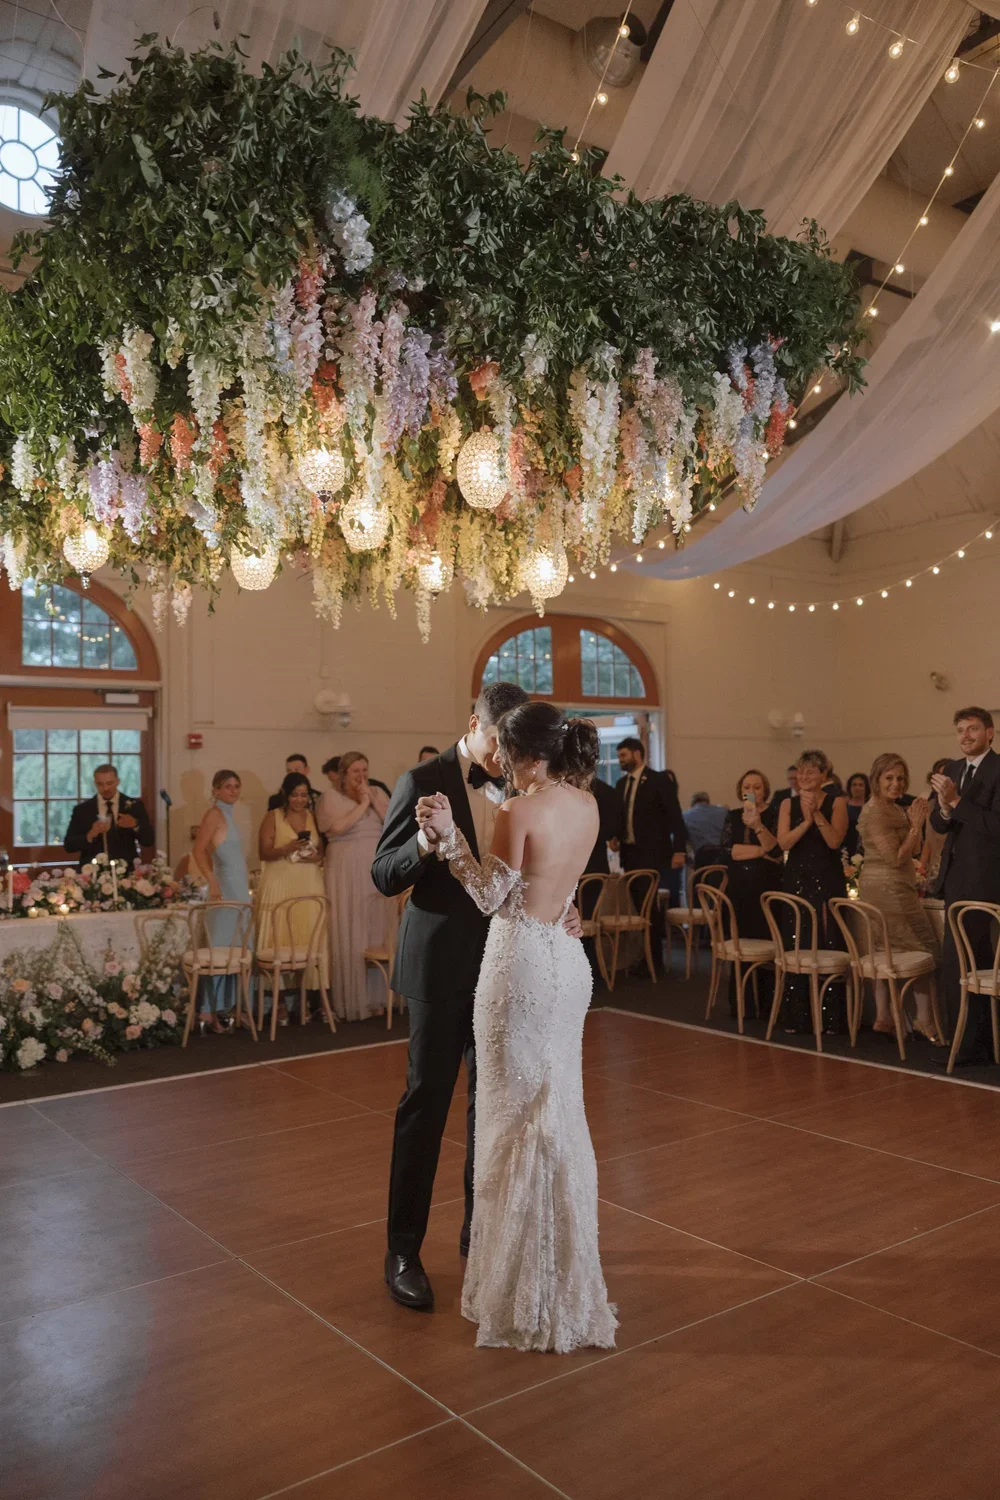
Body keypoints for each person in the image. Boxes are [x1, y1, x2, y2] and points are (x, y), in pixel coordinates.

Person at [417, 701, 617, 1354]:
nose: (496, 760)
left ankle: (521, 1289)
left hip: (522, 967)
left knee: (511, 1116)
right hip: (567, 963)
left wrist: (449, 839)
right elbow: (563, 886)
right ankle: (563, 1277)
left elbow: (487, 896)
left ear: (527, 754)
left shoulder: (516, 811)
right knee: (557, 1111)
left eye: (503, 750)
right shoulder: (587, 804)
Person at [372, 681, 531, 1311]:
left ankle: (478, 1233)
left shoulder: (520, 783)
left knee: (489, 1106)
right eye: (498, 743)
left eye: (514, 748)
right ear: (473, 724)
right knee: (427, 1106)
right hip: (438, 970)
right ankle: (403, 1249)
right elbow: (383, 874)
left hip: (502, 967)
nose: (505, 759)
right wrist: (422, 846)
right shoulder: (422, 779)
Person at [930, 707, 1000, 1067]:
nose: (966, 735)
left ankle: (980, 1043)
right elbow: (940, 824)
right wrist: (943, 808)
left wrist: (957, 802)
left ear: (990, 732)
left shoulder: (999, 769)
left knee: (977, 962)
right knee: (955, 962)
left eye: (973, 728)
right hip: (955, 880)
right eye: (960, 730)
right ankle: (964, 1041)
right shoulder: (953, 769)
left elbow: (996, 825)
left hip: (987, 880)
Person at [857, 754, 942, 1045]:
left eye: (901, 778)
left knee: (886, 949)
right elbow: (896, 857)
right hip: (891, 888)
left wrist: (913, 823)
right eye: (889, 778)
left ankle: (883, 1017)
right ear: (876, 780)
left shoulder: (889, 808)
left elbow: (913, 849)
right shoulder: (877, 811)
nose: (896, 784)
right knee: (926, 950)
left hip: (877, 886)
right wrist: (916, 824)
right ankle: (924, 1021)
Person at [316, 751, 394, 1021]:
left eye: (364, 770)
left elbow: (393, 822)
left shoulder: (375, 792)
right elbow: (335, 828)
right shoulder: (329, 798)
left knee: (375, 928)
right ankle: (352, 1001)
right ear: (343, 774)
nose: (361, 776)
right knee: (351, 928)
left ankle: (378, 999)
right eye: (355, 772)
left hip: (373, 868)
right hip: (345, 868)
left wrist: (371, 798)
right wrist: (361, 804)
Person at [776, 749, 849, 1032]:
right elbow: (783, 843)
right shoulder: (786, 805)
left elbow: (834, 841)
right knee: (798, 941)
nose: (804, 777)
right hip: (797, 878)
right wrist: (805, 821)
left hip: (827, 877)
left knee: (828, 940)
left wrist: (816, 813)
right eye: (801, 771)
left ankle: (831, 1018)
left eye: (810, 772)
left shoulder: (837, 802)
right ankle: (797, 1016)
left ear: (823, 775)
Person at [256, 771, 327, 1023]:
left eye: (304, 795)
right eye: (295, 795)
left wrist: (313, 856)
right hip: (280, 884)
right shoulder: (272, 816)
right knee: (279, 941)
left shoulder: (314, 817)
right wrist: (287, 848)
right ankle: (279, 1002)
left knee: (306, 941)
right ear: (286, 795)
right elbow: (263, 852)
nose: (300, 800)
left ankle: (304, 1001)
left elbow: (322, 853)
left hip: (309, 883)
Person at [614, 736, 686, 962]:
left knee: (649, 906)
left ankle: (653, 959)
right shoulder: (621, 784)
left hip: (653, 853)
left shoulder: (659, 780)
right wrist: (615, 836)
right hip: (630, 853)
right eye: (619, 757)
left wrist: (679, 850)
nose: (620, 761)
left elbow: (675, 817)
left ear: (637, 754)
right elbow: (621, 817)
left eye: (623, 756)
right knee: (638, 906)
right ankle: (644, 956)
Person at [190, 769, 251, 1033]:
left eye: (237, 786)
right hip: (225, 890)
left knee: (235, 948)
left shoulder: (228, 814)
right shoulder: (214, 814)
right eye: (228, 786)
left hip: (238, 890)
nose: (234, 791)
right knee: (219, 950)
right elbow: (198, 850)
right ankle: (206, 1011)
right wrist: (211, 880)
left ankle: (225, 1009)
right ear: (215, 790)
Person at [721, 769, 782, 1018]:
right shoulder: (733, 816)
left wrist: (758, 829)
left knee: (766, 946)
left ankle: (768, 1007)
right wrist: (759, 851)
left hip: (767, 887)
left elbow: (776, 851)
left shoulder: (775, 814)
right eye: (747, 786)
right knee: (740, 946)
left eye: (757, 786)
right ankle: (742, 1006)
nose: (752, 791)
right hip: (739, 888)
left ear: (765, 790)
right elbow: (728, 850)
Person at [64, 763, 154, 870]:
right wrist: (90, 834)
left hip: (127, 871)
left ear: (118, 781)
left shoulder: (134, 806)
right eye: (100, 784)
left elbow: (149, 841)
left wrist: (136, 825)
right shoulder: (82, 810)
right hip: (92, 873)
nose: (105, 788)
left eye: (110, 783)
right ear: (95, 783)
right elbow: (69, 846)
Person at [920, 756, 951, 891]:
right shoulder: (931, 805)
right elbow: (928, 840)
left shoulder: (960, 803)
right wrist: (921, 867)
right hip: (935, 864)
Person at [683, 791, 728, 866]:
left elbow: (682, 839)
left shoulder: (685, 816)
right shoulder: (724, 811)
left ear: (692, 804)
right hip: (725, 856)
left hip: (702, 858)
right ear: (708, 801)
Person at [843, 772, 870, 859]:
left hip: (865, 848)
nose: (857, 787)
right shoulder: (844, 806)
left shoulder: (870, 807)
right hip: (846, 847)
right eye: (854, 785)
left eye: (860, 785)